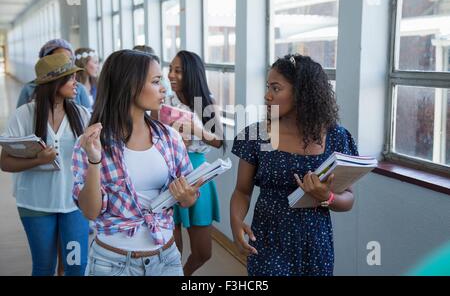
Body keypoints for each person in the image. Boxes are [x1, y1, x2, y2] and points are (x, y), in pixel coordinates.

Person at [72, 49, 203, 276]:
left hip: (166, 259)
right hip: (112, 263)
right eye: (155, 81)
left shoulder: (169, 138)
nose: (164, 88)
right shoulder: (92, 142)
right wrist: (94, 161)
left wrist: (187, 196)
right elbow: (91, 212)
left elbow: (189, 200)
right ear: (129, 85)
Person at [230, 54, 358, 276]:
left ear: (301, 93)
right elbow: (242, 191)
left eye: (276, 88)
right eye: (268, 87)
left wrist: (325, 197)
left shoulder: (336, 137)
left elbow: (348, 200)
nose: (267, 95)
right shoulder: (256, 135)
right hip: (268, 239)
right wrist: (235, 222)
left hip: (316, 244)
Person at [0, 53, 91, 276]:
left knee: (76, 266)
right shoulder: (24, 115)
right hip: (35, 205)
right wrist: (38, 160)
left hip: (75, 206)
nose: (75, 82)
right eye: (70, 78)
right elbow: (4, 162)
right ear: (54, 83)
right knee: (44, 267)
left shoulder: (81, 114)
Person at [165, 50, 224, 276]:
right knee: (172, 250)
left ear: (191, 73)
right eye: (170, 69)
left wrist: (194, 130)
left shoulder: (207, 101)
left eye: (177, 71)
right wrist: (175, 138)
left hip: (199, 173)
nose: (171, 75)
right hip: (168, 171)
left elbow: (218, 141)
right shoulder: (164, 100)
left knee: (203, 251)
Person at [16, 39, 91, 109]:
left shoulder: (79, 89)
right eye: (60, 58)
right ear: (46, 60)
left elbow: (89, 118)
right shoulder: (28, 89)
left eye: (70, 59)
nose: (67, 62)